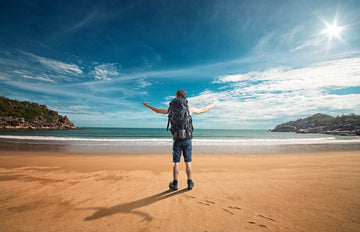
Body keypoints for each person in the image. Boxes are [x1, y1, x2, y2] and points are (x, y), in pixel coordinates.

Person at [143, 89, 218, 191]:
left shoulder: (171, 109)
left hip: (176, 139)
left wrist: (148, 106)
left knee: (176, 162)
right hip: (187, 139)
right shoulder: (189, 109)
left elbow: (158, 110)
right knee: (188, 162)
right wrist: (213, 104)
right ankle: (189, 182)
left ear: (176, 96)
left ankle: (175, 183)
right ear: (185, 97)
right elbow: (203, 109)